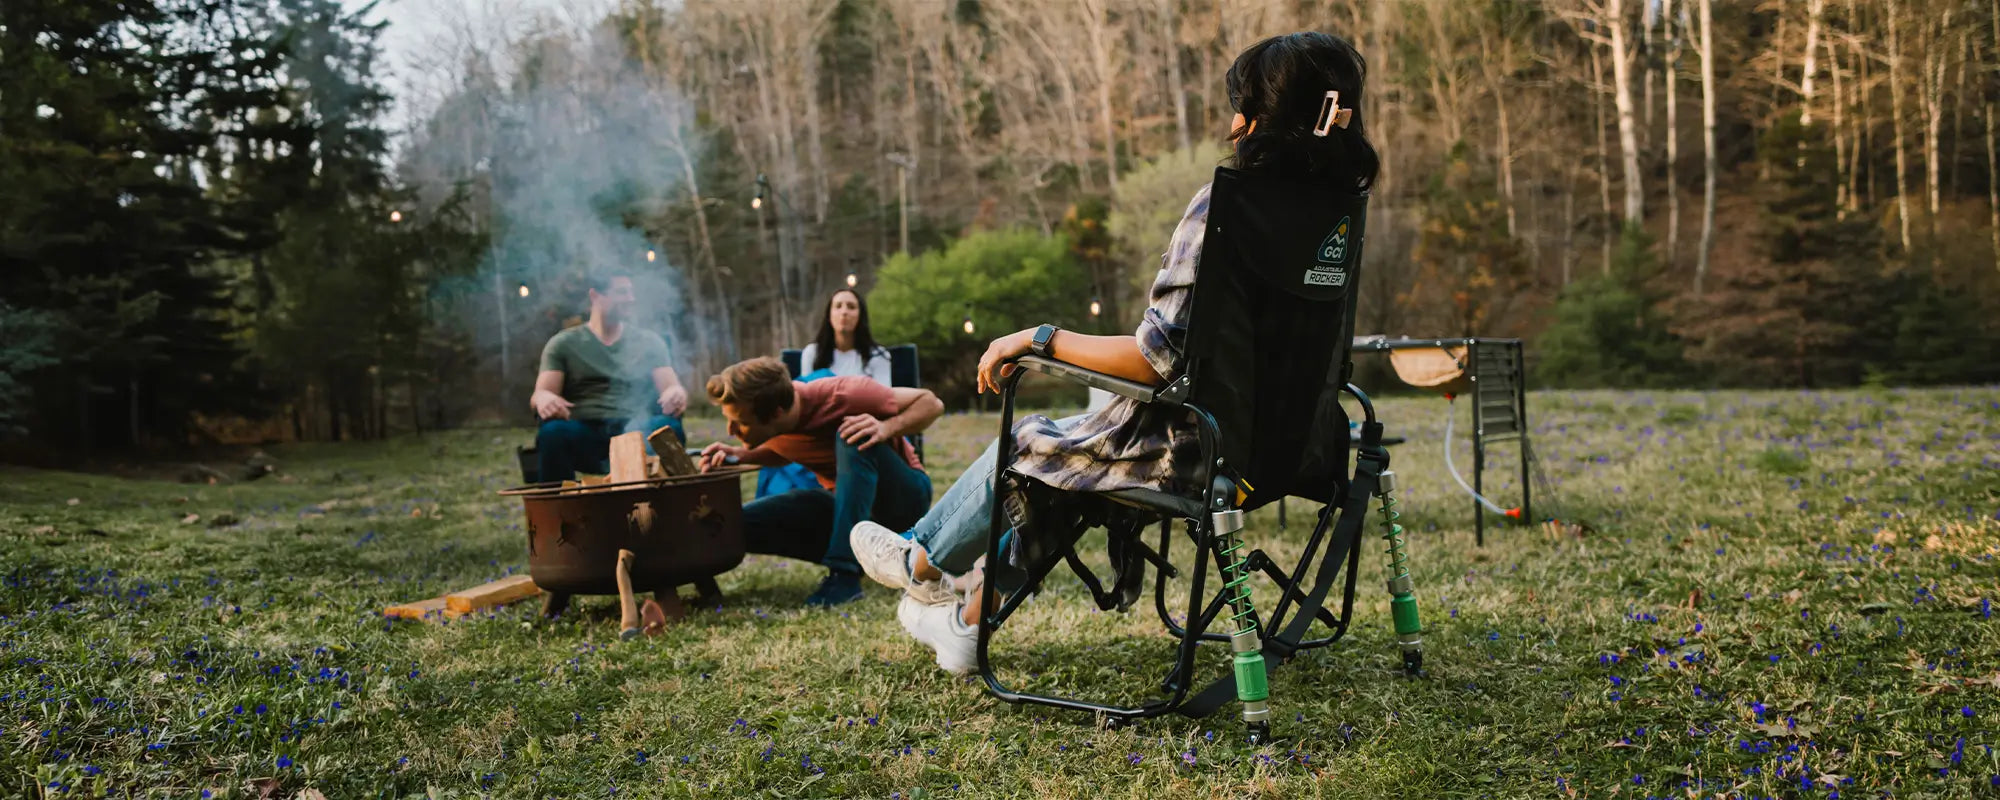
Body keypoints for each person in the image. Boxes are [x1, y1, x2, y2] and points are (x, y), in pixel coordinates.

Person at [846, 31, 1381, 674]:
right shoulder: (1337, 217)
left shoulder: (1230, 207)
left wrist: (1038, 339)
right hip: (1295, 450)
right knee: (1065, 459)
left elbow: (1156, 358)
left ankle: (922, 561)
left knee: (1029, 444)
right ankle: (966, 619)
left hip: (1195, 453)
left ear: (1252, 118)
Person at [698, 357, 943, 607]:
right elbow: (787, 448)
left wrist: (886, 428)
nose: (730, 430)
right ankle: (701, 584)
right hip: (845, 510)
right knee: (737, 523)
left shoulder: (845, 395)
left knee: (852, 434)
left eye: (741, 422)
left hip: (901, 505)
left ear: (777, 414)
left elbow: (931, 403)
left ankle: (844, 575)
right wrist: (741, 456)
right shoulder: (776, 417)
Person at [530, 271, 690, 482]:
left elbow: (671, 387)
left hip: (637, 429)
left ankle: (667, 499)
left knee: (668, 427)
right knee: (552, 433)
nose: (631, 299)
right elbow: (541, 394)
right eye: (622, 292)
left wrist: (676, 393)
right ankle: (558, 502)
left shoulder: (649, 342)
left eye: (631, 292)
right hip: (585, 433)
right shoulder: (563, 344)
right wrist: (544, 398)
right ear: (595, 296)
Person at [759, 289, 895, 498]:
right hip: (818, 429)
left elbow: (887, 401)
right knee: (780, 452)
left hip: (857, 429)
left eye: (851, 307)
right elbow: (803, 398)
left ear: (861, 315)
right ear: (829, 315)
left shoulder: (878, 356)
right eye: (838, 306)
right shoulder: (812, 353)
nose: (844, 312)